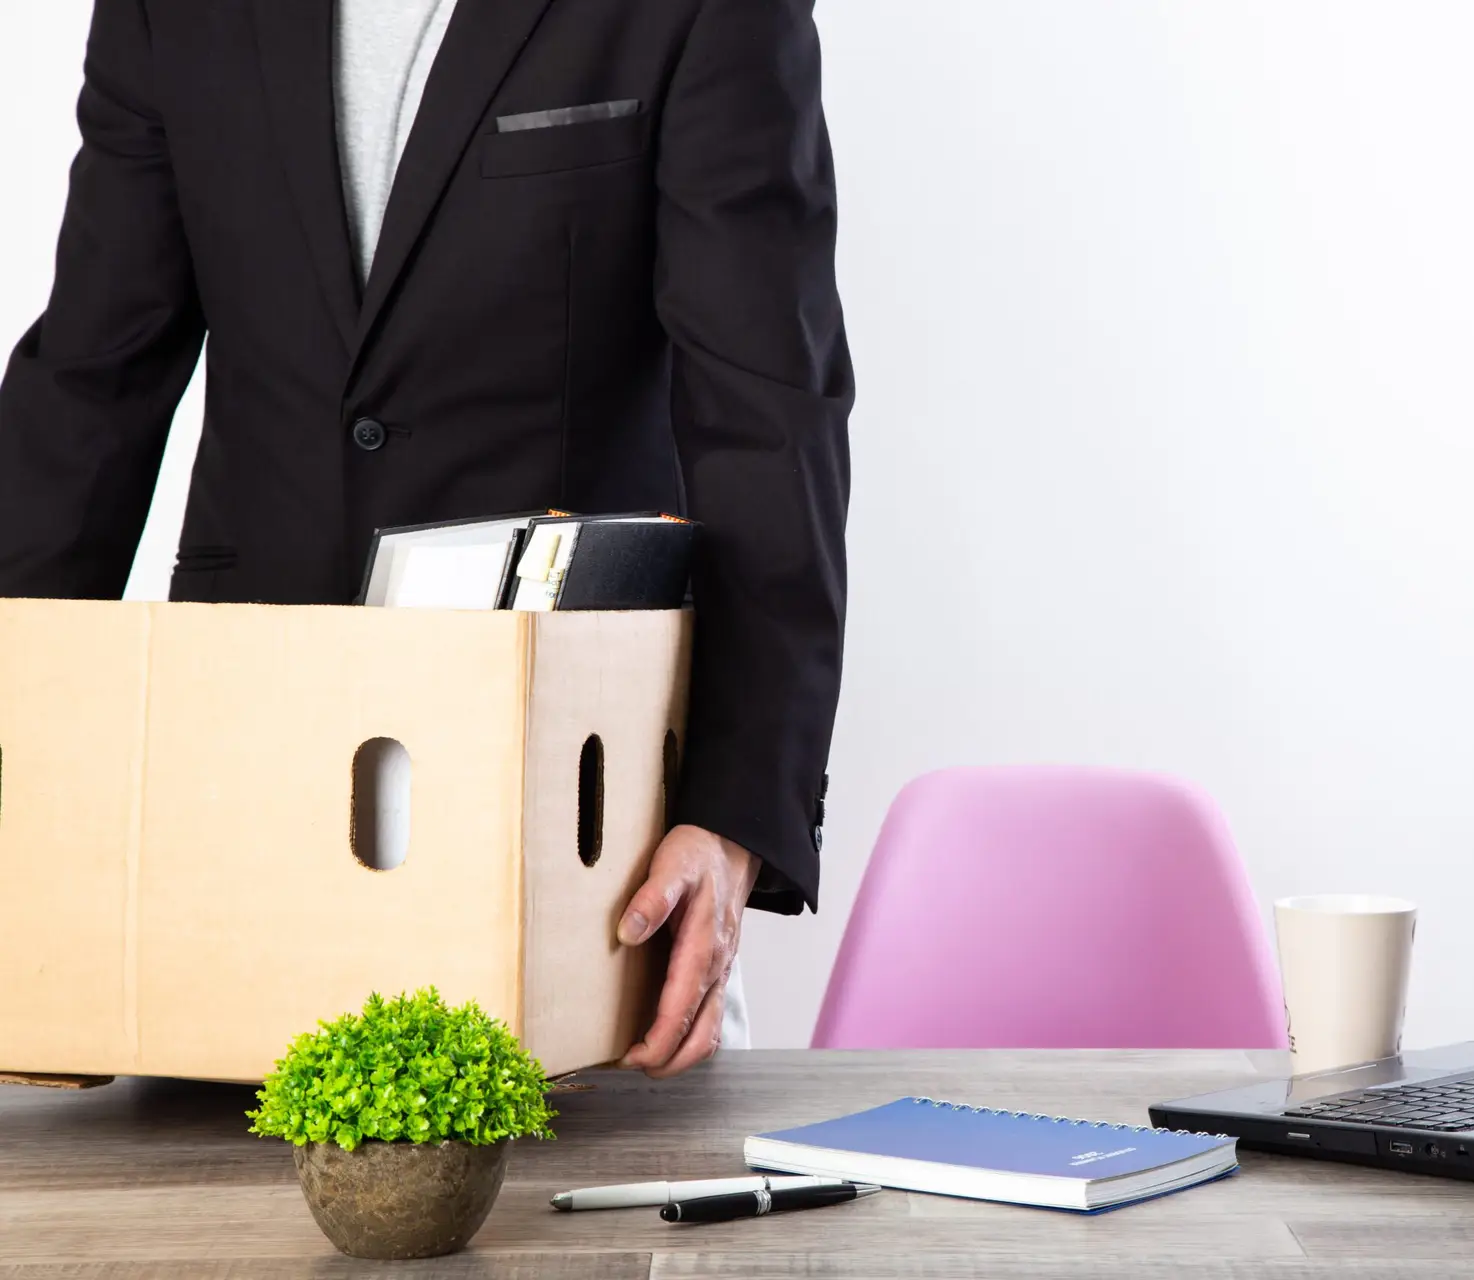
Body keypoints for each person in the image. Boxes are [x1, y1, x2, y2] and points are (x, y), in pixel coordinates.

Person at [0, 0, 852, 1078]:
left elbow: (768, 413)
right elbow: (89, 384)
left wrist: (733, 815)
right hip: (242, 796)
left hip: (568, 813)